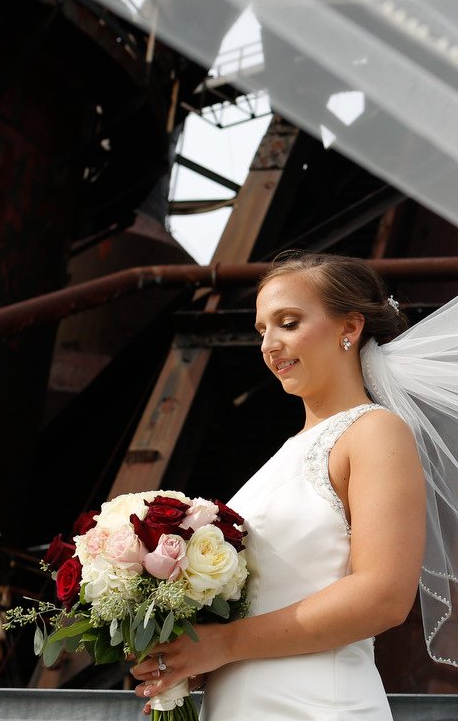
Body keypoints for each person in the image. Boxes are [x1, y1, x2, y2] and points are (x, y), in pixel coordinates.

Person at [129, 252, 425, 720]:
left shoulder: (375, 432)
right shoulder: (286, 453)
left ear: (350, 327)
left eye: (288, 323)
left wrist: (225, 644)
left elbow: (384, 595)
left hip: (317, 706)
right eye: (261, 330)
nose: (269, 345)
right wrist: (192, 656)